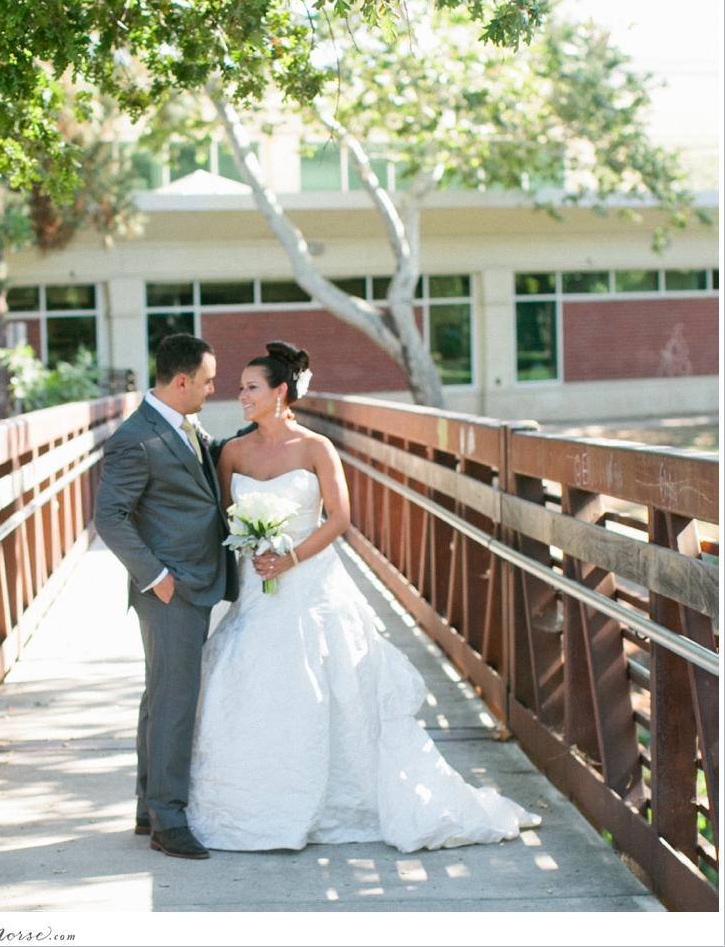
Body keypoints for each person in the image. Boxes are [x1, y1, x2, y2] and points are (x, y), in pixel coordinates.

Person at [186, 340, 541, 853]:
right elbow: (220, 516)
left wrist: (289, 557)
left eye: (250, 388)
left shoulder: (314, 448)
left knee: (330, 688)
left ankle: (337, 799)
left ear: (280, 392)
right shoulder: (232, 452)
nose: (240, 396)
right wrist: (251, 547)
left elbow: (340, 518)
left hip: (308, 583)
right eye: (240, 388)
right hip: (258, 590)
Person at [94, 333, 248, 861]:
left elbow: (206, 468)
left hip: (191, 581)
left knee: (160, 697)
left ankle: (148, 807)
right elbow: (108, 518)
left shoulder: (182, 425)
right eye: (207, 381)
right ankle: (169, 822)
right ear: (181, 381)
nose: (212, 389)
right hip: (170, 590)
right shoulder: (134, 438)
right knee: (175, 703)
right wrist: (156, 576)